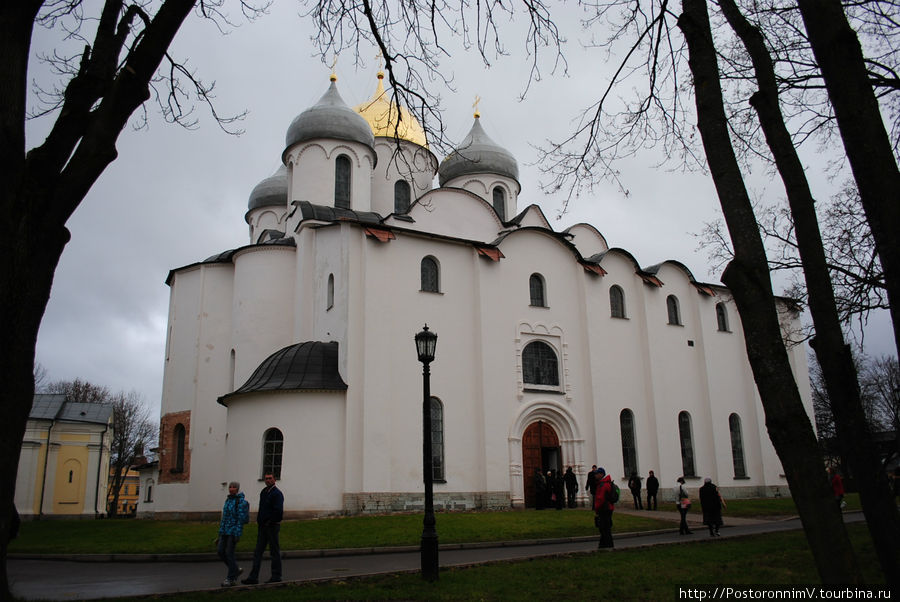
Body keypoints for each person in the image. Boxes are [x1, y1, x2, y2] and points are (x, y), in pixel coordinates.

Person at [242, 473, 284, 584]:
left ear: (275, 479)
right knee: (258, 552)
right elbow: (262, 508)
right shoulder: (264, 492)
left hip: (272, 526)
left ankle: (276, 575)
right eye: (266, 479)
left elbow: (278, 511)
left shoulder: (277, 494)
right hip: (262, 526)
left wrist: (270, 521)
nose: (268, 480)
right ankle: (253, 576)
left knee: (274, 551)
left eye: (270, 478)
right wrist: (260, 521)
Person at [217, 481, 250, 587]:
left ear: (237, 489)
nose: (231, 489)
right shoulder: (228, 500)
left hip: (233, 532)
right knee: (220, 551)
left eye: (234, 487)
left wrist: (237, 533)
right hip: (225, 531)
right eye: (230, 487)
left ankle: (231, 578)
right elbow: (224, 518)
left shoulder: (240, 502)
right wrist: (220, 533)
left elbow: (240, 519)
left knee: (229, 553)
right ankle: (235, 569)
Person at [593, 467, 615, 548]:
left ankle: (608, 545)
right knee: (605, 528)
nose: (595, 475)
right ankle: (603, 545)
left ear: (601, 474)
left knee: (604, 528)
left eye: (597, 474)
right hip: (608, 508)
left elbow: (600, 498)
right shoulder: (607, 483)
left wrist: (596, 508)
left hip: (604, 509)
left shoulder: (603, 485)